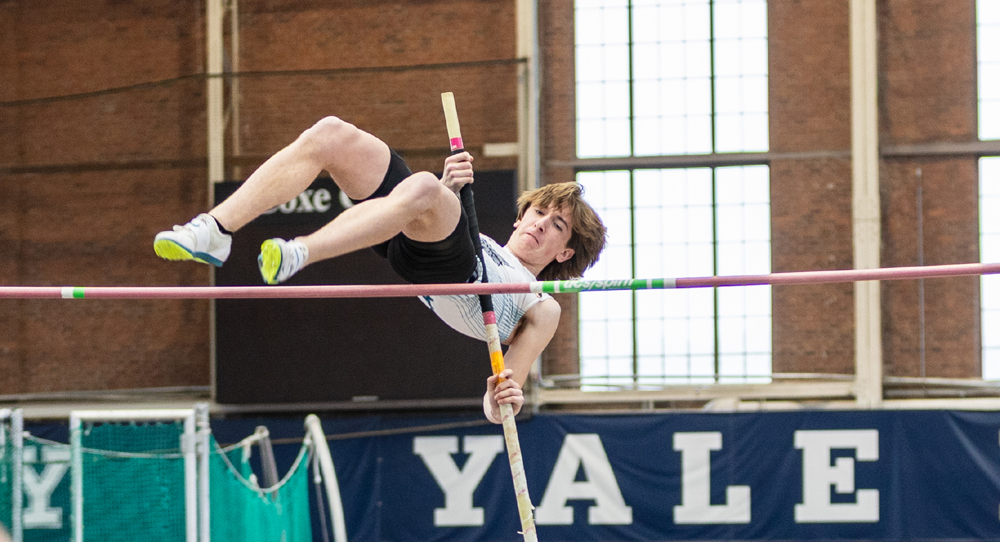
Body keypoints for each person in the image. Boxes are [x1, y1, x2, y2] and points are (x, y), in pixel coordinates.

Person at [153, 116, 606, 423]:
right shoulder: (480, 233)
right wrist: (446, 193)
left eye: (557, 225)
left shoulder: (543, 306)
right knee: (332, 134)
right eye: (539, 213)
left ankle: (301, 252)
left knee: (424, 186)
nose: (541, 225)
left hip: (458, 271)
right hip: (421, 239)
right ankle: (216, 228)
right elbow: (433, 211)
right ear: (520, 216)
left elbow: (497, 400)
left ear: (565, 253)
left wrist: (501, 399)